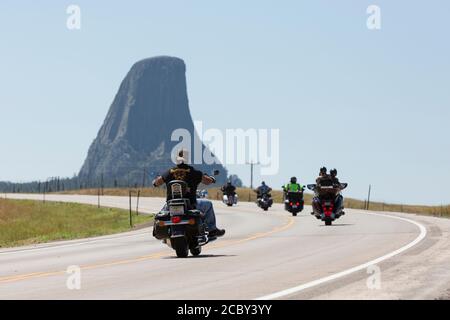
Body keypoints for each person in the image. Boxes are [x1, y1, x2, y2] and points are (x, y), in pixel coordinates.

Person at [152, 149, 225, 237]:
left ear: (177, 159)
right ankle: (212, 229)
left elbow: (157, 183)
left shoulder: (169, 172)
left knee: (159, 216)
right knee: (208, 204)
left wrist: (155, 181)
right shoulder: (194, 172)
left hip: (171, 204)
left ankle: (157, 231)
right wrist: (212, 178)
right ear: (187, 159)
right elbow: (207, 181)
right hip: (190, 204)